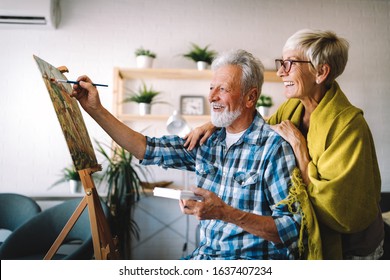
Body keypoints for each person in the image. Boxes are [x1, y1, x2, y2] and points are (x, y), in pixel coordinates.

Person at [71, 49, 305, 259]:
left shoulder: (273, 148)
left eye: (223, 89)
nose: (212, 97)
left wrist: (226, 214)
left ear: (250, 97)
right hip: (205, 257)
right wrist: (95, 110)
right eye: (211, 88)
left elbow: (292, 230)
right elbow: (145, 147)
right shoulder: (208, 141)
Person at [184, 29, 384, 260]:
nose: (280, 72)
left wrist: (301, 150)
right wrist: (214, 124)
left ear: (321, 72)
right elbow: (257, 126)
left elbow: (339, 208)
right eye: (281, 63)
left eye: (289, 63)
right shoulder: (291, 110)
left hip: (353, 248)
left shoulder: (349, 126)